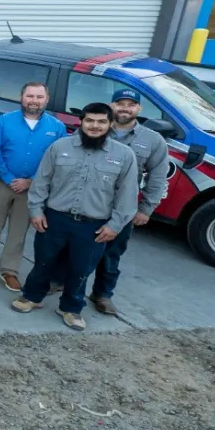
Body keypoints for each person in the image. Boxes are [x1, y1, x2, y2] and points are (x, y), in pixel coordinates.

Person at [12, 103, 138, 331]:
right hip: (54, 219)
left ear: (110, 124)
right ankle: (32, 297)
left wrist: (115, 225)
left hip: (93, 226)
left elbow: (127, 195)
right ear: (81, 122)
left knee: (81, 269)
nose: (95, 126)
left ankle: (70, 308)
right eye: (90, 120)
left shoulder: (124, 155)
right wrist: (36, 211)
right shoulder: (59, 147)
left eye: (101, 122)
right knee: (43, 261)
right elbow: (41, 182)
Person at [0, 81, 68, 292]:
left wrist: (31, 180)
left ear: (47, 100)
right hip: (1, 181)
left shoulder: (57, 128)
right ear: (21, 97)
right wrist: (8, 177)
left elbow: (57, 159)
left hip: (33, 187)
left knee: (19, 230)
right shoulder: (4, 121)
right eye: (30, 96)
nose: (34, 101)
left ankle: (9, 270)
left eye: (39, 97)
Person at [90, 89, 170, 315]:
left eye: (131, 104)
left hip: (123, 209)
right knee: (75, 248)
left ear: (139, 109)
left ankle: (102, 294)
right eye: (120, 103)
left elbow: (157, 177)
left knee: (111, 255)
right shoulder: (94, 130)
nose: (125, 108)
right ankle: (60, 282)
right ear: (111, 105)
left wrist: (145, 209)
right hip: (89, 203)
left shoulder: (153, 140)